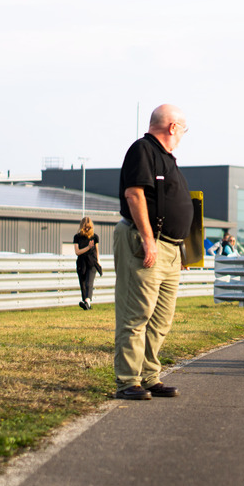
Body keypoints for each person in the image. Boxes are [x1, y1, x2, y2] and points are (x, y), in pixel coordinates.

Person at [113, 104, 193, 400]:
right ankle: (128, 380)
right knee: (137, 315)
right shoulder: (143, 150)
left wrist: (181, 249)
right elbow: (134, 194)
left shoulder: (167, 158)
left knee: (161, 318)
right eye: (184, 129)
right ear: (173, 127)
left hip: (170, 249)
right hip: (146, 242)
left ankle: (149, 376)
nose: (184, 135)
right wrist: (148, 239)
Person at [73, 216, 101, 310]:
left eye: (89, 227)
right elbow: (77, 252)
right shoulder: (77, 237)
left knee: (89, 282)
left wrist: (98, 261)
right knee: (83, 283)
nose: (87, 229)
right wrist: (88, 248)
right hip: (81, 262)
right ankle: (86, 303)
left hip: (91, 262)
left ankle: (87, 301)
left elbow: (97, 250)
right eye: (85, 227)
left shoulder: (95, 237)